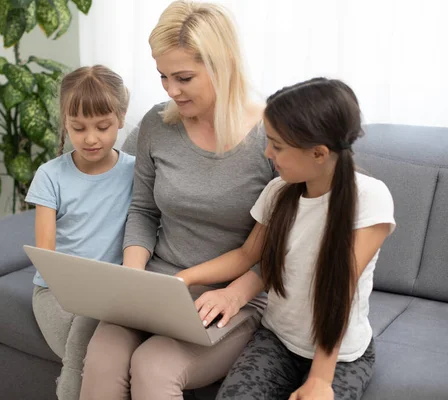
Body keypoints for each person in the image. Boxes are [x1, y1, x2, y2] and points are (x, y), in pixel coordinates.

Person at [79, 1, 275, 399]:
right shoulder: (158, 122)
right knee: (102, 355)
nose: (170, 90)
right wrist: (132, 277)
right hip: (157, 286)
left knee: (154, 366)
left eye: (183, 77)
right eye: (163, 76)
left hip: (230, 296)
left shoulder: (274, 135)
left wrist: (235, 294)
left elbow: (286, 245)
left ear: (224, 64)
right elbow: (143, 211)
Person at [177, 78, 395, 400]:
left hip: (340, 355)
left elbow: (337, 288)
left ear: (319, 153)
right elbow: (245, 255)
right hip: (277, 339)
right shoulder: (278, 192)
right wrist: (182, 279)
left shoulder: (369, 198)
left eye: (277, 146)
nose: (268, 153)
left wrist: (320, 379)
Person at [25, 65, 135, 400]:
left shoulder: (135, 171)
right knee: (86, 351)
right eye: (78, 128)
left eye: (102, 127)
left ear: (121, 117)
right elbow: (47, 258)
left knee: (99, 341)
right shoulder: (50, 176)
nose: (90, 138)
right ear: (65, 123)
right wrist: (85, 298)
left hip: (111, 296)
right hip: (56, 294)